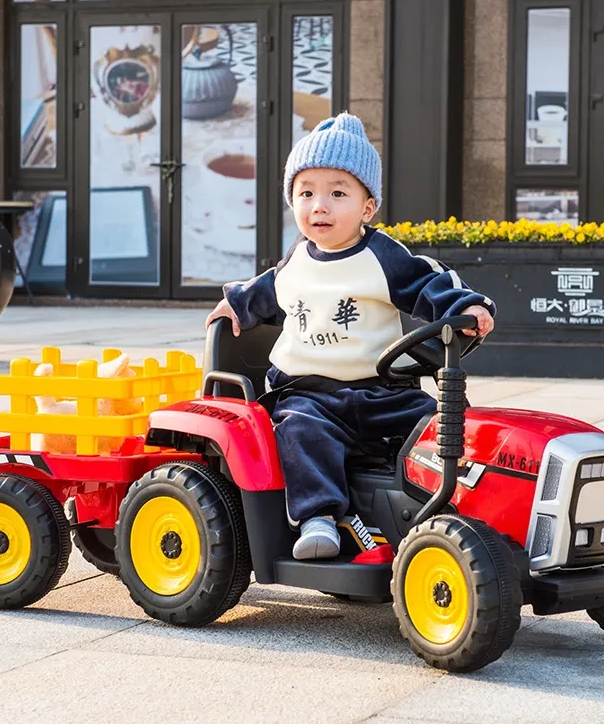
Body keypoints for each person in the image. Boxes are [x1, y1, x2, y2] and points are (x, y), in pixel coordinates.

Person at [205, 113, 495, 560]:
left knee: (440, 423)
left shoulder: (384, 256)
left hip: (382, 392)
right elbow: (266, 289)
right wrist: (236, 304)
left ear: (367, 207)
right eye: (306, 193)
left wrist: (467, 307)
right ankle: (318, 518)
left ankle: (453, 506)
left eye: (338, 193)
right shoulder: (295, 261)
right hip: (307, 393)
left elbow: (429, 283)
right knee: (300, 431)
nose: (320, 206)